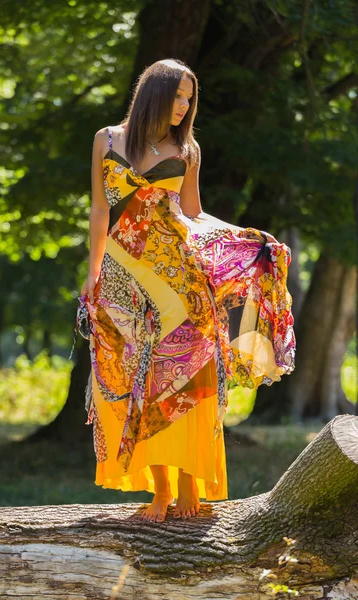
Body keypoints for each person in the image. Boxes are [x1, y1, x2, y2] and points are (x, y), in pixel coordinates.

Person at [77, 58, 296, 523]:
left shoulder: (187, 149)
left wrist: (250, 238)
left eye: (189, 98)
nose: (184, 105)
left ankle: (189, 484)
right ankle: (159, 491)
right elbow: (100, 210)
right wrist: (92, 271)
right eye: (177, 95)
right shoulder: (106, 140)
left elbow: (194, 217)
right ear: (154, 93)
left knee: (190, 378)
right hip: (123, 279)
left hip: (181, 279)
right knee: (141, 383)